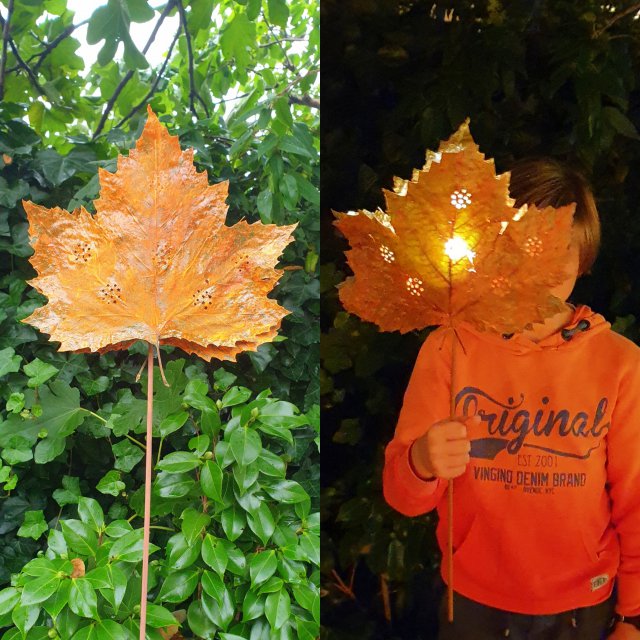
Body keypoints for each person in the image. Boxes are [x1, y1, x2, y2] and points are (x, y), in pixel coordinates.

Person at [382, 157, 640, 640]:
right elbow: (402, 495)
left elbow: (636, 501)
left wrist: (633, 616)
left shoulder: (621, 365)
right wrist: (421, 461)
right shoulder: (448, 348)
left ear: (583, 257)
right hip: (475, 601)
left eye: (559, 250)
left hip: (583, 605)